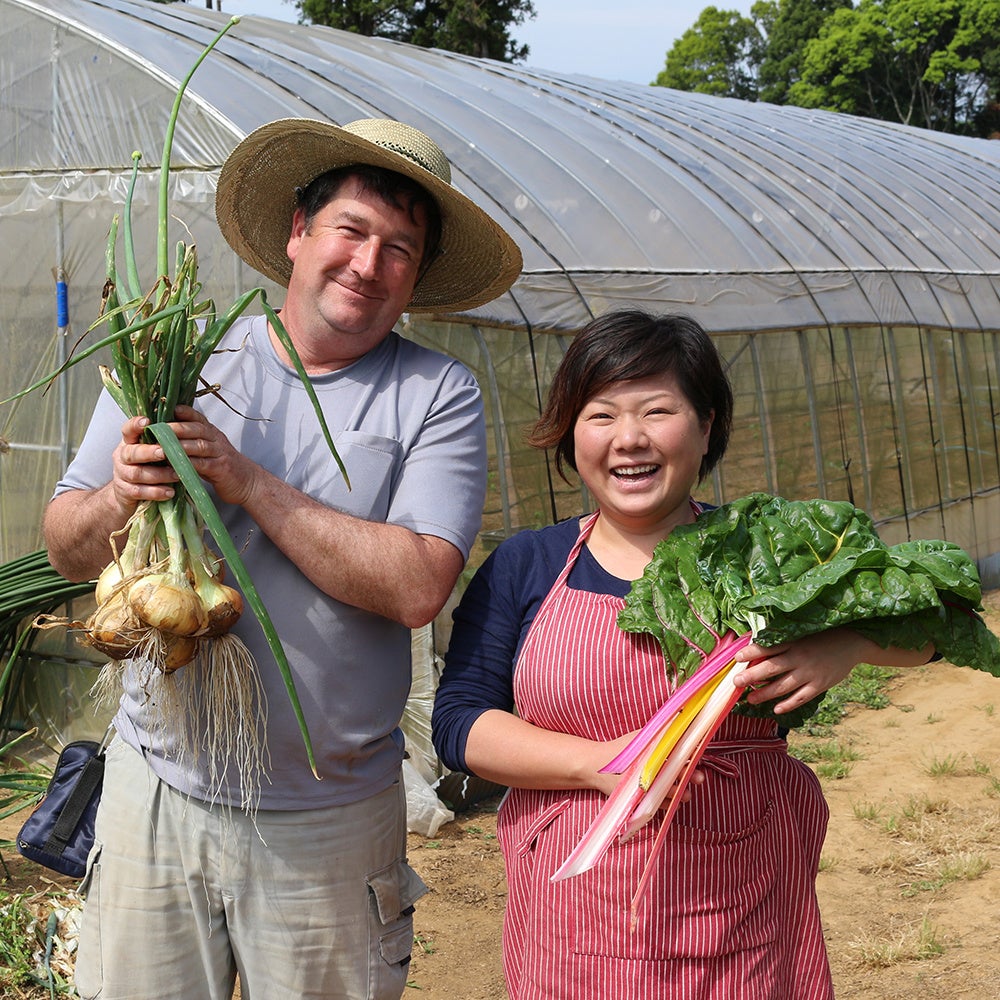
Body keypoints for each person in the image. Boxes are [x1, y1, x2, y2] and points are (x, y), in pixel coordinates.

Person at [43, 117, 522, 1000]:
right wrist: (122, 494)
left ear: (416, 277)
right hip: (157, 795)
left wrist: (245, 481)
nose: (369, 265)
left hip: (327, 819)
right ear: (299, 234)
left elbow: (419, 583)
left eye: (400, 250)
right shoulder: (168, 355)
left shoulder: (435, 394)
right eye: (352, 231)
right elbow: (68, 544)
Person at [431, 309, 934, 1000]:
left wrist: (844, 643)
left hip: (740, 898)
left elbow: (937, 623)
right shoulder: (528, 562)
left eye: (657, 411)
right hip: (576, 906)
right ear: (571, 435)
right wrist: (599, 764)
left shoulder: (763, 550)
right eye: (600, 414)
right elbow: (459, 722)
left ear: (705, 426)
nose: (628, 438)